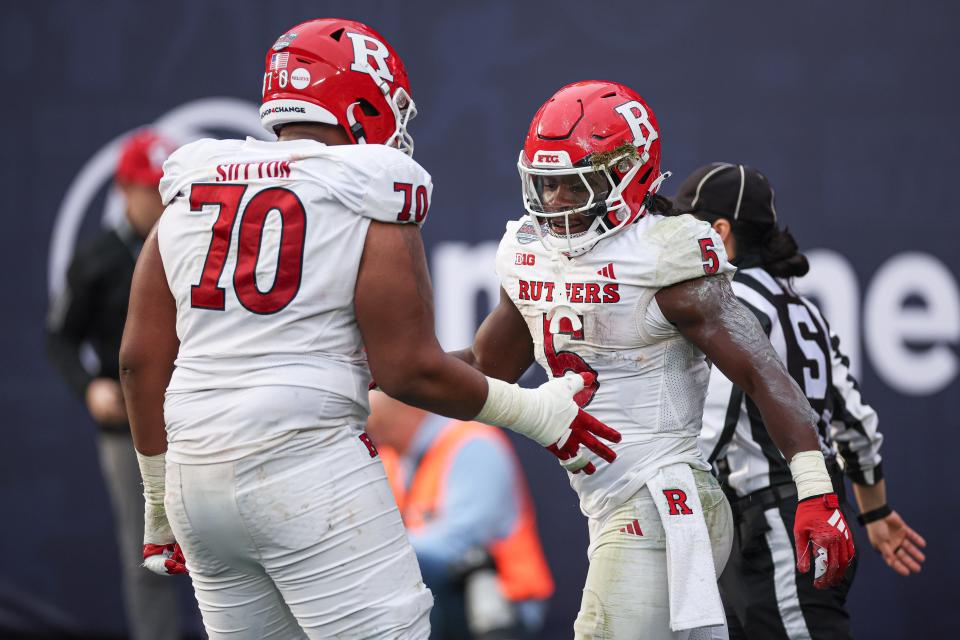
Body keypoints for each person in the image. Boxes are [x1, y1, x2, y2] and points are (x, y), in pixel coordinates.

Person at [117, 19, 619, 640]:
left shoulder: (191, 189)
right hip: (306, 466)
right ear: (359, 99)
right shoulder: (372, 186)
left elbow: (139, 361)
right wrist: (541, 414)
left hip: (196, 477)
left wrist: (158, 497)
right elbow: (407, 369)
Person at [450, 80, 857, 639]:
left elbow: (762, 372)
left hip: (665, 499)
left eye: (577, 186)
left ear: (630, 175)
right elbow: (483, 365)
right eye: (548, 185)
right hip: (612, 503)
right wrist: (372, 368)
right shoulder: (528, 253)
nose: (556, 203)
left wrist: (816, 488)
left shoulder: (663, 255)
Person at [676, 162, 927, 640]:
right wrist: (873, 511)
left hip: (774, 525)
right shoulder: (802, 306)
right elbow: (856, 423)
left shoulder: (728, 302)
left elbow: (710, 430)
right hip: (803, 513)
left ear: (719, 232)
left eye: (685, 227)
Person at [45, 130, 183, 640]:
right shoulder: (98, 259)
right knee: (148, 553)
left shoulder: (196, 247)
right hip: (128, 429)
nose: (160, 200)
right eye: (151, 188)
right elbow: (59, 337)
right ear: (124, 188)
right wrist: (88, 387)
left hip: (199, 420)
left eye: (168, 187)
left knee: (229, 546)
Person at [367, 390, 554, 639]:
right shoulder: (391, 457)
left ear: (407, 405)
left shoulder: (472, 443)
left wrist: (373, 552)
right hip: (443, 599)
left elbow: (460, 545)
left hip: (500, 607)